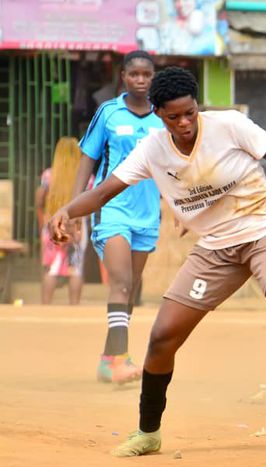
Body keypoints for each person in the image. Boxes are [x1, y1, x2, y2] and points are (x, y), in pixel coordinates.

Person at [49, 66, 266, 457]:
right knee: (162, 336)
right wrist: (66, 210)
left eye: (189, 113)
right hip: (215, 248)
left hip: (265, 229)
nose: (184, 123)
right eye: (173, 117)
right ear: (158, 114)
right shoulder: (151, 149)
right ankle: (148, 432)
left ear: (197, 106)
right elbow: (104, 191)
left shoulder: (229, 125)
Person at [72, 50, 164, 385]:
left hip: (148, 213)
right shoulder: (108, 112)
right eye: (134, 74)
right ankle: (120, 361)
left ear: (153, 78)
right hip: (112, 209)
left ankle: (109, 359)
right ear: (123, 76)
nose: (140, 80)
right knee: (121, 282)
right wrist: (74, 208)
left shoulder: (163, 117)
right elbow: (88, 159)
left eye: (146, 75)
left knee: (131, 290)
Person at [35, 137, 88, 305]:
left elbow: (39, 200)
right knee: (76, 269)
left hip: (53, 223)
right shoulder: (86, 178)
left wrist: (43, 222)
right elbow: (90, 202)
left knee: (52, 268)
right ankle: (74, 308)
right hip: (77, 224)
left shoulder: (48, 175)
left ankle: (46, 306)